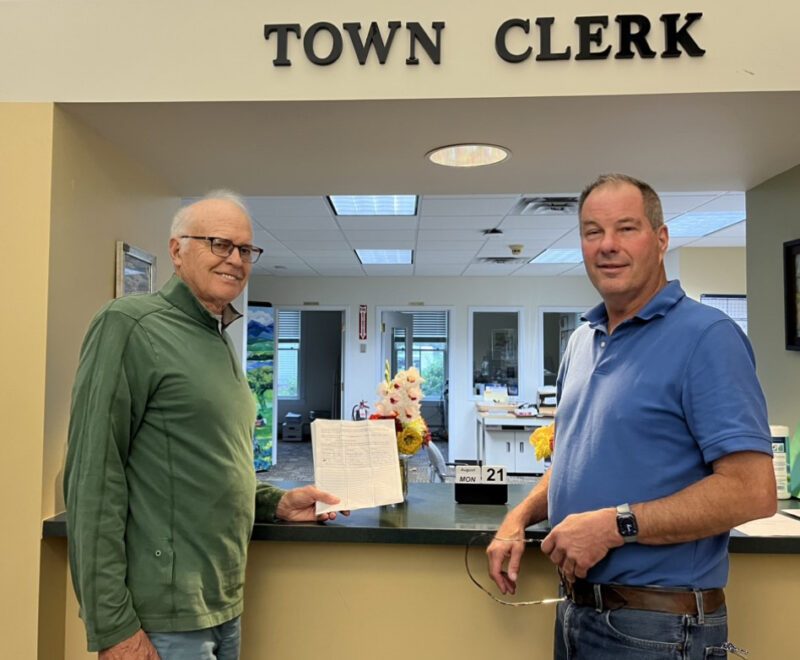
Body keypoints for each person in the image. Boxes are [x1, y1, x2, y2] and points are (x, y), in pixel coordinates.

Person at [486, 173, 776, 659]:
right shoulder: (582, 341)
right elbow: (577, 459)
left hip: (659, 627)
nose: (607, 246)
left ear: (661, 240)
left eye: (626, 228)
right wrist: (518, 516)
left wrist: (613, 525)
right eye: (593, 231)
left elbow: (753, 490)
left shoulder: (708, 337)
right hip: (576, 613)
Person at [64, 191, 345, 660]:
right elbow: (94, 478)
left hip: (222, 599)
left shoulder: (218, 340)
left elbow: (207, 463)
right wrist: (112, 626)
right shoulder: (129, 325)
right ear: (177, 250)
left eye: (245, 249)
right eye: (219, 243)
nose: (235, 259)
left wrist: (276, 502)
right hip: (162, 614)